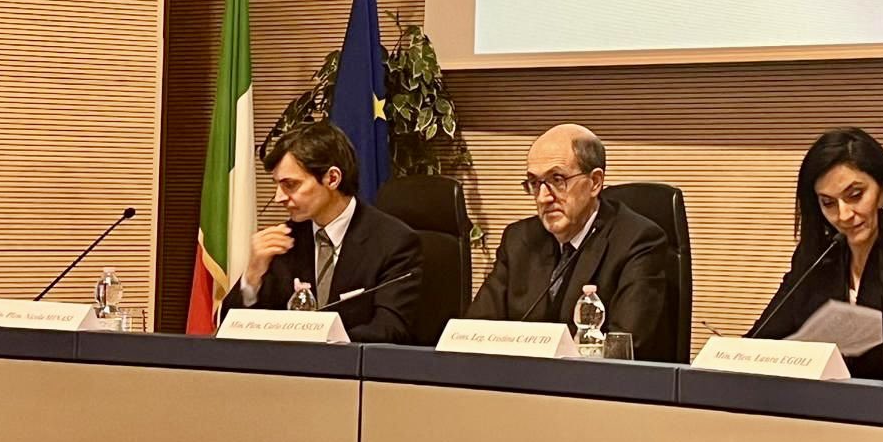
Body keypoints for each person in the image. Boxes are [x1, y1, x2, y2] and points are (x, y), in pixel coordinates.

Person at [467, 124, 673, 360]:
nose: (543, 197)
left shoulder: (638, 241)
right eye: (535, 183)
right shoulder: (519, 239)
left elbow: (623, 348)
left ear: (595, 182)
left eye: (557, 179)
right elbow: (476, 330)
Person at [223, 121, 423, 344]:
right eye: (277, 185)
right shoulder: (285, 240)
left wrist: (322, 340)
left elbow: (391, 330)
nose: (279, 197)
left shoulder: (393, 242)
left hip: (354, 365)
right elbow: (229, 329)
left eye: (290, 185)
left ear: (332, 178)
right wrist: (252, 278)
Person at [749, 127, 883, 378]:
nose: (843, 215)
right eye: (828, 203)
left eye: (855, 195)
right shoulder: (817, 257)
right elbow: (762, 339)